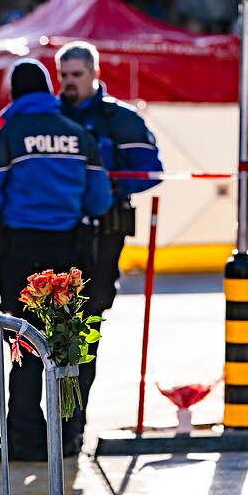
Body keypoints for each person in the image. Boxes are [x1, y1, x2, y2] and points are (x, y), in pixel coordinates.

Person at [0, 58, 112, 461]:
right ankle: (67, 433)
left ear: (14, 93)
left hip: (21, 257)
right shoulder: (79, 136)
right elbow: (99, 200)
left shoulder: (8, 137)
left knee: (25, 344)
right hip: (71, 255)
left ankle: (26, 437)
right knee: (68, 346)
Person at [55, 41, 163, 447]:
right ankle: (37, 427)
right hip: (57, 237)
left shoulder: (121, 119)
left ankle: (73, 423)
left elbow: (151, 171)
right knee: (45, 331)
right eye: (63, 75)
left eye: (76, 75)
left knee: (85, 331)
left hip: (102, 237)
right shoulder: (50, 116)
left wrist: (106, 182)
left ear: (95, 74)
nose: (68, 83)